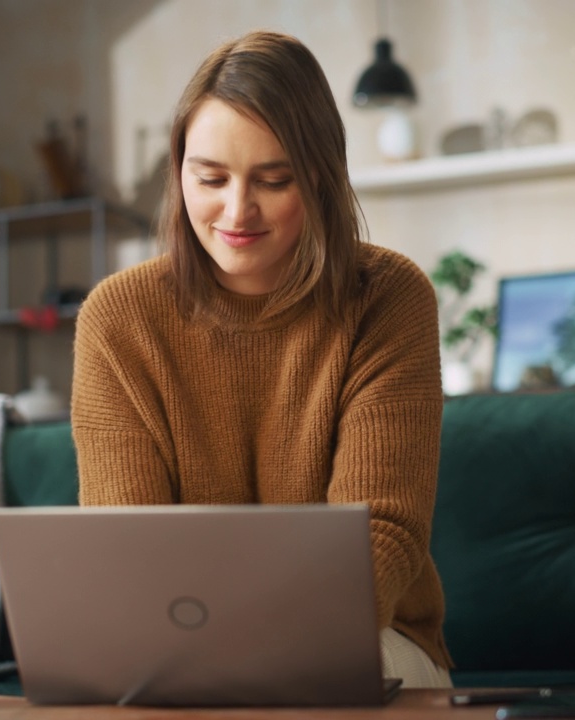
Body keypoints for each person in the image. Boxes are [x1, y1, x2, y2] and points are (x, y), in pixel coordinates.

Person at [70, 30, 452, 689]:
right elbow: (124, 549)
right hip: (177, 654)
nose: (237, 210)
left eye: (274, 181)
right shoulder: (118, 318)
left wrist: (250, 652)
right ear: (178, 170)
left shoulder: (387, 298)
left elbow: (380, 536)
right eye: (210, 178)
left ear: (322, 178)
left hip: (368, 640)